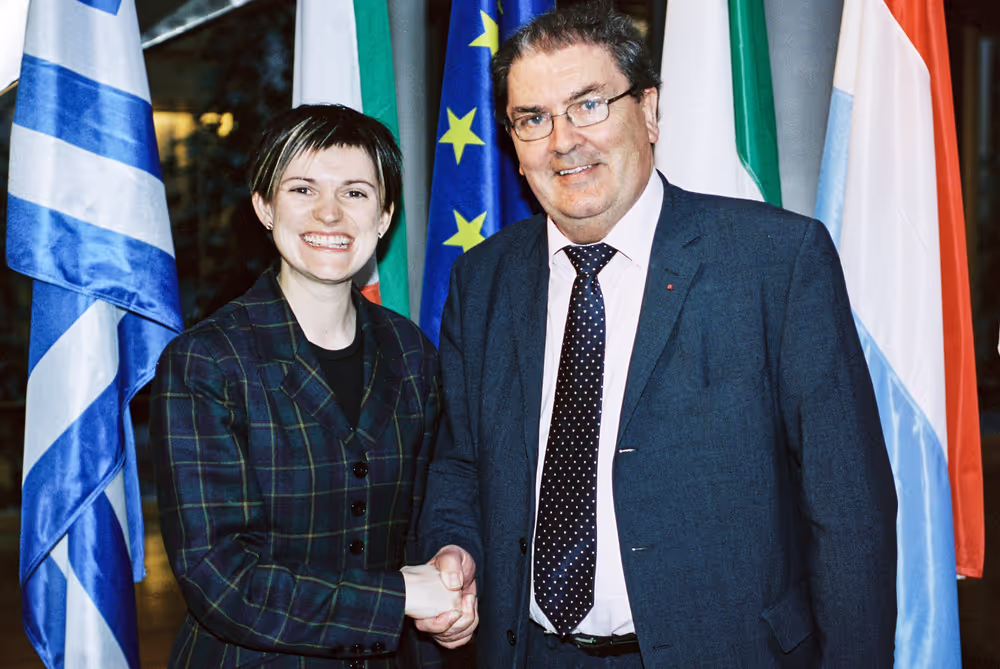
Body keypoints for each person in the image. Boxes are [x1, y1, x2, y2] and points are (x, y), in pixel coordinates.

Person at [417, 2, 898, 667]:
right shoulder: (483, 280)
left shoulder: (776, 263)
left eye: (589, 105)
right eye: (533, 118)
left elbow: (850, 515)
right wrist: (452, 547)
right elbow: (462, 465)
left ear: (648, 111)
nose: (562, 140)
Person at [150, 104, 457, 668]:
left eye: (356, 193)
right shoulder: (204, 363)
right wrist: (401, 597)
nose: (330, 214)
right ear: (264, 207)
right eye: (302, 189)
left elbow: (425, 518)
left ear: (386, 216)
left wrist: (452, 571)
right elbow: (218, 576)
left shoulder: (415, 354)